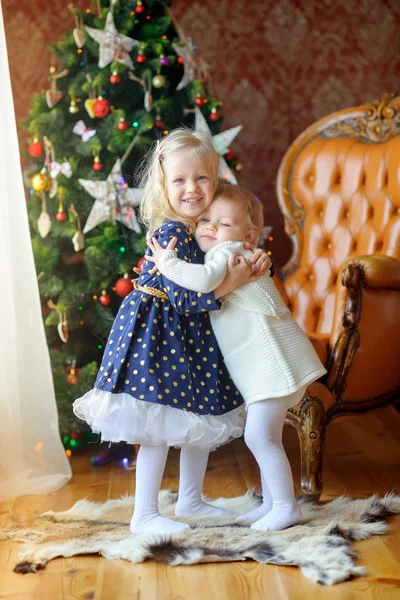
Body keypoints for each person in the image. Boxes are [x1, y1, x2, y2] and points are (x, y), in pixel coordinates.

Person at [73, 131, 271, 535]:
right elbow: (183, 297)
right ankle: (144, 514)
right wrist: (229, 285)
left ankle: (191, 499)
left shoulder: (204, 226)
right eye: (180, 180)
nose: (192, 188)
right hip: (158, 332)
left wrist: (255, 258)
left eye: (201, 178)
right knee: (157, 423)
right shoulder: (172, 233)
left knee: (197, 416)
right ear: (164, 185)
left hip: (190, 337)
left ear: (215, 179)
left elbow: (232, 251)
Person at [147, 184, 327, 531]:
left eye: (223, 223)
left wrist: (167, 262)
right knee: (267, 435)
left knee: (259, 437)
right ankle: (273, 504)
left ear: (248, 236)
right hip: (279, 369)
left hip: (275, 369)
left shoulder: (226, 254)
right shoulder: (233, 251)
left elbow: (200, 282)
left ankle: (286, 507)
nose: (211, 227)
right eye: (206, 220)